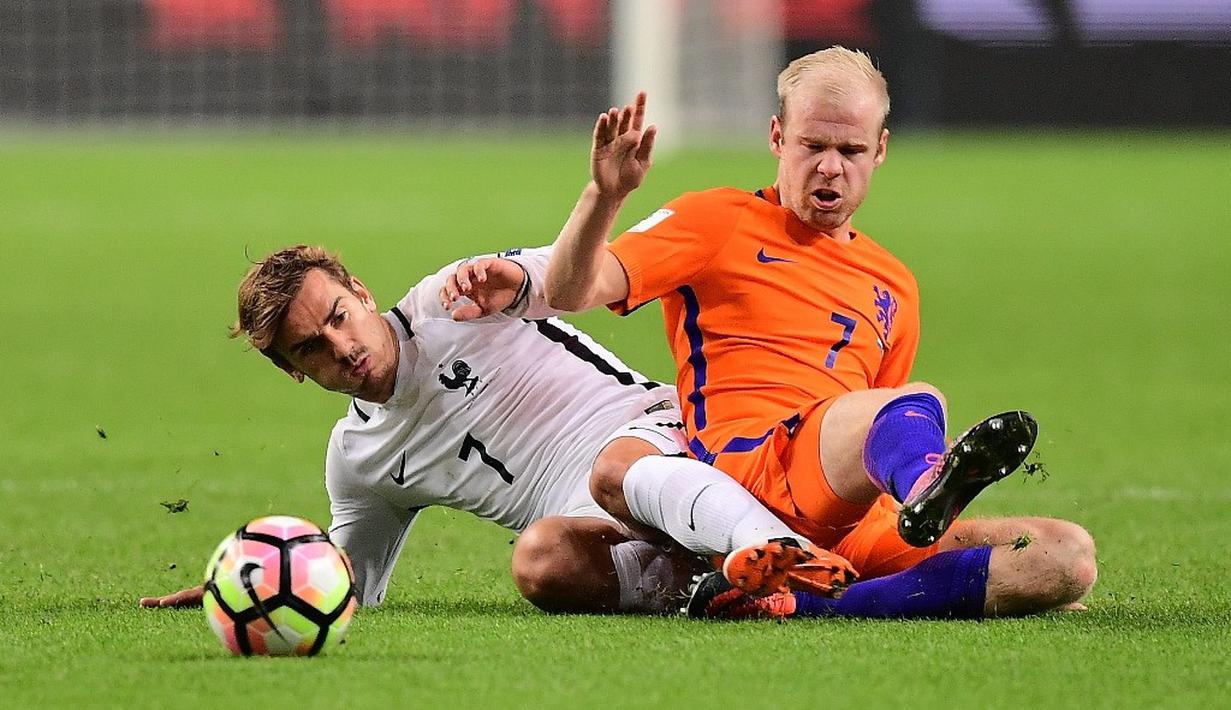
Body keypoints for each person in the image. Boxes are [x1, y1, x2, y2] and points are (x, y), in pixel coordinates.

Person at [528, 48, 1097, 618]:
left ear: (879, 150)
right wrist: (604, 197)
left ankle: (816, 598)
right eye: (813, 146)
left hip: (846, 509)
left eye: (850, 150)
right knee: (914, 404)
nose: (830, 167)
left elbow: (874, 430)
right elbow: (573, 291)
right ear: (778, 137)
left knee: (1064, 556)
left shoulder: (893, 284)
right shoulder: (718, 220)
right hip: (751, 471)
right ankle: (926, 487)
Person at [140, 245, 853, 613]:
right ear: (292, 371)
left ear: (360, 292)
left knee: (613, 473)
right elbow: (350, 579)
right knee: (540, 561)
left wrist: (570, 224)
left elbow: (577, 273)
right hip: (606, 520)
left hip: (660, 434)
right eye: (311, 349)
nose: (341, 347)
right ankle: (729, 582)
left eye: (338, 317)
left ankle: (771, 545)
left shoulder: (452, 301)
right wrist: (257, 586)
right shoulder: (359, 459)